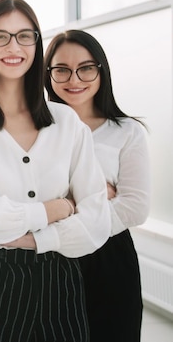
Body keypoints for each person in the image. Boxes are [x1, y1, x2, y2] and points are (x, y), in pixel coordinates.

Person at [0, 0, 111, 342]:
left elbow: (97, 220)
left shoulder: (67, 122)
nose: (14, 47)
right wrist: (58, 208)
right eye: (1, 37)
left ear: (37, 44)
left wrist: (36, 238)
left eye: (25, 36)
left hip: (59, 276)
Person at [44, 29, 150, 342]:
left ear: (101, 70)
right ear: (47, 73)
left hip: (109, 257)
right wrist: (96, 195)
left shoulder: (127, 131)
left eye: (86, 68)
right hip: (50, 258)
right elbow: (24, 194)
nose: (74, 79)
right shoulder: (37, 129)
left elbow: (135, 207)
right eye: (61, 69)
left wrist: (68, 204)